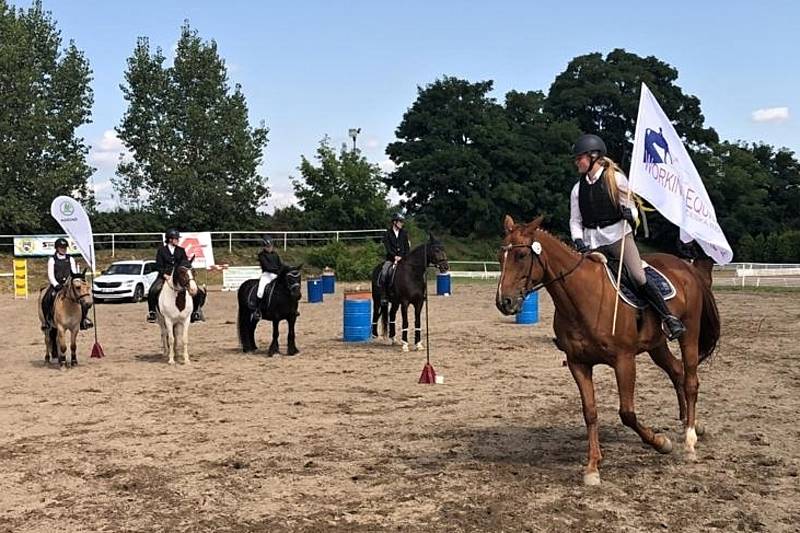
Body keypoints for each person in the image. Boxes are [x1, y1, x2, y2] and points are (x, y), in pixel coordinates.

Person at [569, 133, 686, 340]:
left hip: (618, 238)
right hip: (592, 243)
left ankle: (668, 318)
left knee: (637, 276)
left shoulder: (616, 179)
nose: (577, 162)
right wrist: (578, 240)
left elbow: (633, 211)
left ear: (594, 156)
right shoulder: (578, 189)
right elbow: (575, 220)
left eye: (580, 158)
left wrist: (628, 214)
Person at [146, 228, 204, 323]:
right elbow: (158, 265)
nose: (178, 240)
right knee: (153, 290)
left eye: (177, 238)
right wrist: (164, 275)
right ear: (170, 239)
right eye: (176, 238)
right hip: (165, 276)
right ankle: (152, 312)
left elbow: (184, 263)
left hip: (179, 276)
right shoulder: (161, 251)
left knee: (198, 292)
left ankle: (195, 312)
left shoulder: (181, 250)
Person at [42, 238, 93, 330]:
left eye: (64, 247)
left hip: (69, 285)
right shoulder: (52, 260)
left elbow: (73, 272)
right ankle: (47, 321)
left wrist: (76, 280)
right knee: (47, 297)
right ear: (57, 248)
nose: (63, 249)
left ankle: (83, 319)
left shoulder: (70, 259)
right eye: (61, 247)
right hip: (56, 284)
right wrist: (55, 284)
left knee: (82, 298)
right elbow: (50, 274)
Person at [379, 212, 410, 299]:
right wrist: (394, 257)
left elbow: (407, 247)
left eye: (402, 222)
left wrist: (402, 256)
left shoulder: (404, 233)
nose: (402, 224)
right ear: (395, 222)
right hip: (391, 259)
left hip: (403, 259)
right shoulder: (387, 234)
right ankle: (384, 294)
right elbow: (387, 248)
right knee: (384, 272)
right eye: (400, 222)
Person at [253, 235, 282, 320]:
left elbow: (280, 264)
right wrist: (277, 270)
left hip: (276, 274)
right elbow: (266, 267)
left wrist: (281, 270)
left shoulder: (275, 254)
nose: (270, 248)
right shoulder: (261, 255)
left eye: (271, 246)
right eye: (268, 246)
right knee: (260, 291)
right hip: (267, 275)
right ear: (264, 246)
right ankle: (257, 310)